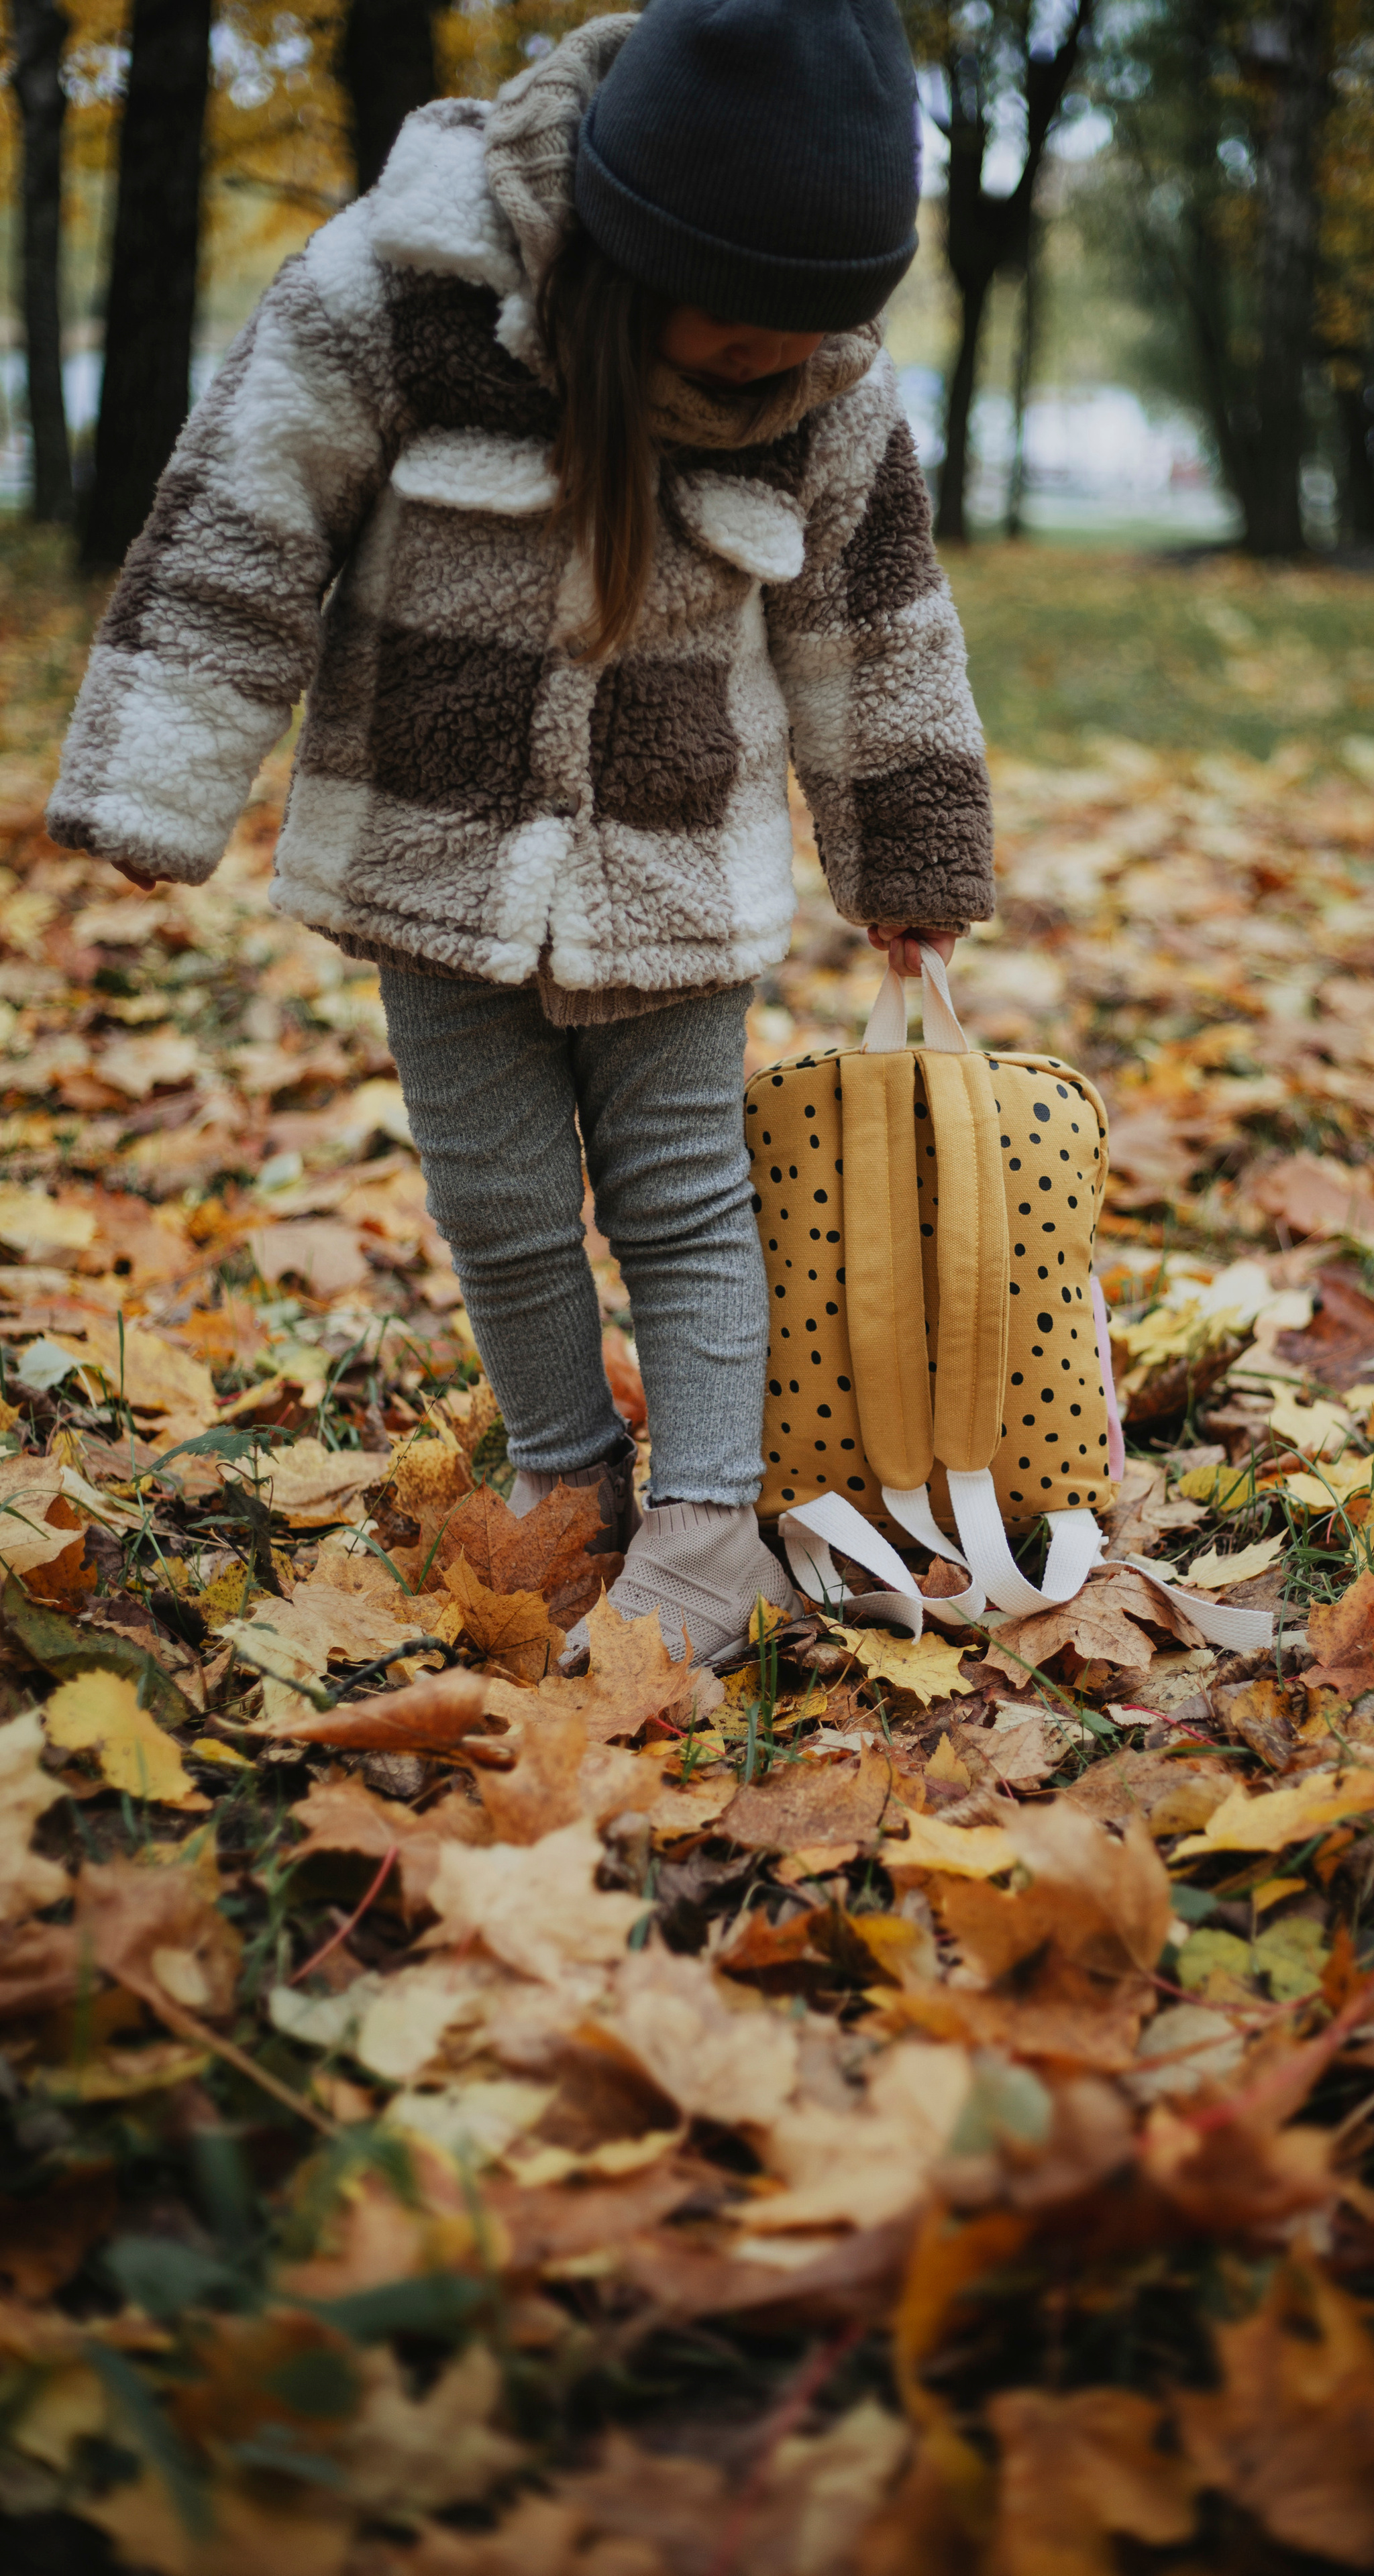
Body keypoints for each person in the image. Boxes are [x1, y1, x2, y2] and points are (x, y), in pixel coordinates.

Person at [46, 0, 995, 1668]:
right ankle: (573, 1489)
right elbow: (243, 519)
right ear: (631, 254)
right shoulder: (406, 287)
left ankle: (710, 1528)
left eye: (811, 335)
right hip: (434, 854)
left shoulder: (826, 374)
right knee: (492, 1199)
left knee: (690, 1201)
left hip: (672, 870)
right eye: (739, 335)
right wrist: (158, 782)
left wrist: (904, 860)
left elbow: (874, 621)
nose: (779, 363)